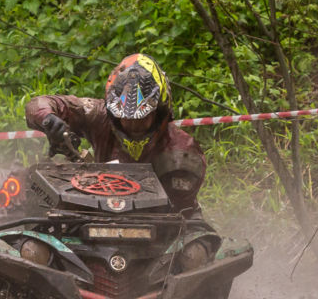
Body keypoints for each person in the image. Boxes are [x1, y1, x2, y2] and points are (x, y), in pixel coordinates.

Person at [24, 53, 207, 213]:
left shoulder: (182, 149)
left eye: (142, 117)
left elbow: (182, 211)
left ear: (159, 111)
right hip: (98, 209)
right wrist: (48, 118)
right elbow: (41, 103)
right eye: (125, 117)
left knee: (197, 242)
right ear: (113, 111)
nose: (133, 124)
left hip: (162, 218)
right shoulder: (98, 115)